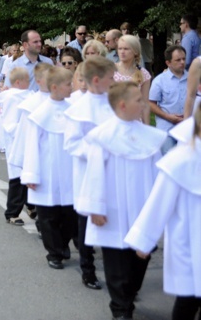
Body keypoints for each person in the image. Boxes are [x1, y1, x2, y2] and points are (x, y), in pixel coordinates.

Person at [78, 81, 167, 320]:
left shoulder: (151, 137)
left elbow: (158, 175)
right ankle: (120, 309)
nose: (143, 104)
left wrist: (161, 209)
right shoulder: (103, 136)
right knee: (116, 262)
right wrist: (95, 207)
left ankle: (129, 294)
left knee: (140, 259)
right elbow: (94, 173)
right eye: (139, 100)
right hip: (113, 209)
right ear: (122, 105)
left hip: (142, 207)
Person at [124, 103, 201, 320]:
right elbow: (159, 203)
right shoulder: (180, 160)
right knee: (188, 300)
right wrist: (144, 239)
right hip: (190, 242)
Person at [64, 56, 117, 290]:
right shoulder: (78, 108)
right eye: (111, 77)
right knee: (86, 222)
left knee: (113, 222)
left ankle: (118, 279)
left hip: (114, 172)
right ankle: (88, 270)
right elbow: (72, 143)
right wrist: (99, 149)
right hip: (87, 173)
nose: (114, 81)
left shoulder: (115, 102)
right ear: (97, 79)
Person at [22, 67, 76, 269]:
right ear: (55, 87)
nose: (72, 87)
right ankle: (53, 252)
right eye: (68, 84)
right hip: (46, 171)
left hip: (70, 171)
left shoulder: (73, 110)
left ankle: (62, 244)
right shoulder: (40, 114)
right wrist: (31, 174)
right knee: (48, 216)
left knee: (70, 216)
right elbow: (32, 146)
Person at [2, 67, 32, 224]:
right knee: (17, 178)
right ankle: (12, 212)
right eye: (27, 79)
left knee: (31, 175)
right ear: (19, 82)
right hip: (17, 142)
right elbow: (10, 123)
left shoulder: (28, 95)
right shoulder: (12, 97)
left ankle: (32, 206)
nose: (30, 81)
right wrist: (22, 134)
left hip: (29, 141)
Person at [149, 45, 188, 153]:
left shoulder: (192, 79)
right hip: (166, 127)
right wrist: (168, 117)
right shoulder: (159, 81)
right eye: (178, 60)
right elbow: (151, 103)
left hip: (187, 127)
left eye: (184, 59)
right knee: (168, 158)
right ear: (168, 63)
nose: (182, 62)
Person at [114, 34, 151, 124]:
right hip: (114, 118)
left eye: (126, 49)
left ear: (135, 51)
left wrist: (146, 126)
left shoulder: (143, 73)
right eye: (120, 48)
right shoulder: (111, 69)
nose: (122, 52)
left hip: (135, 120)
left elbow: (145, 103)